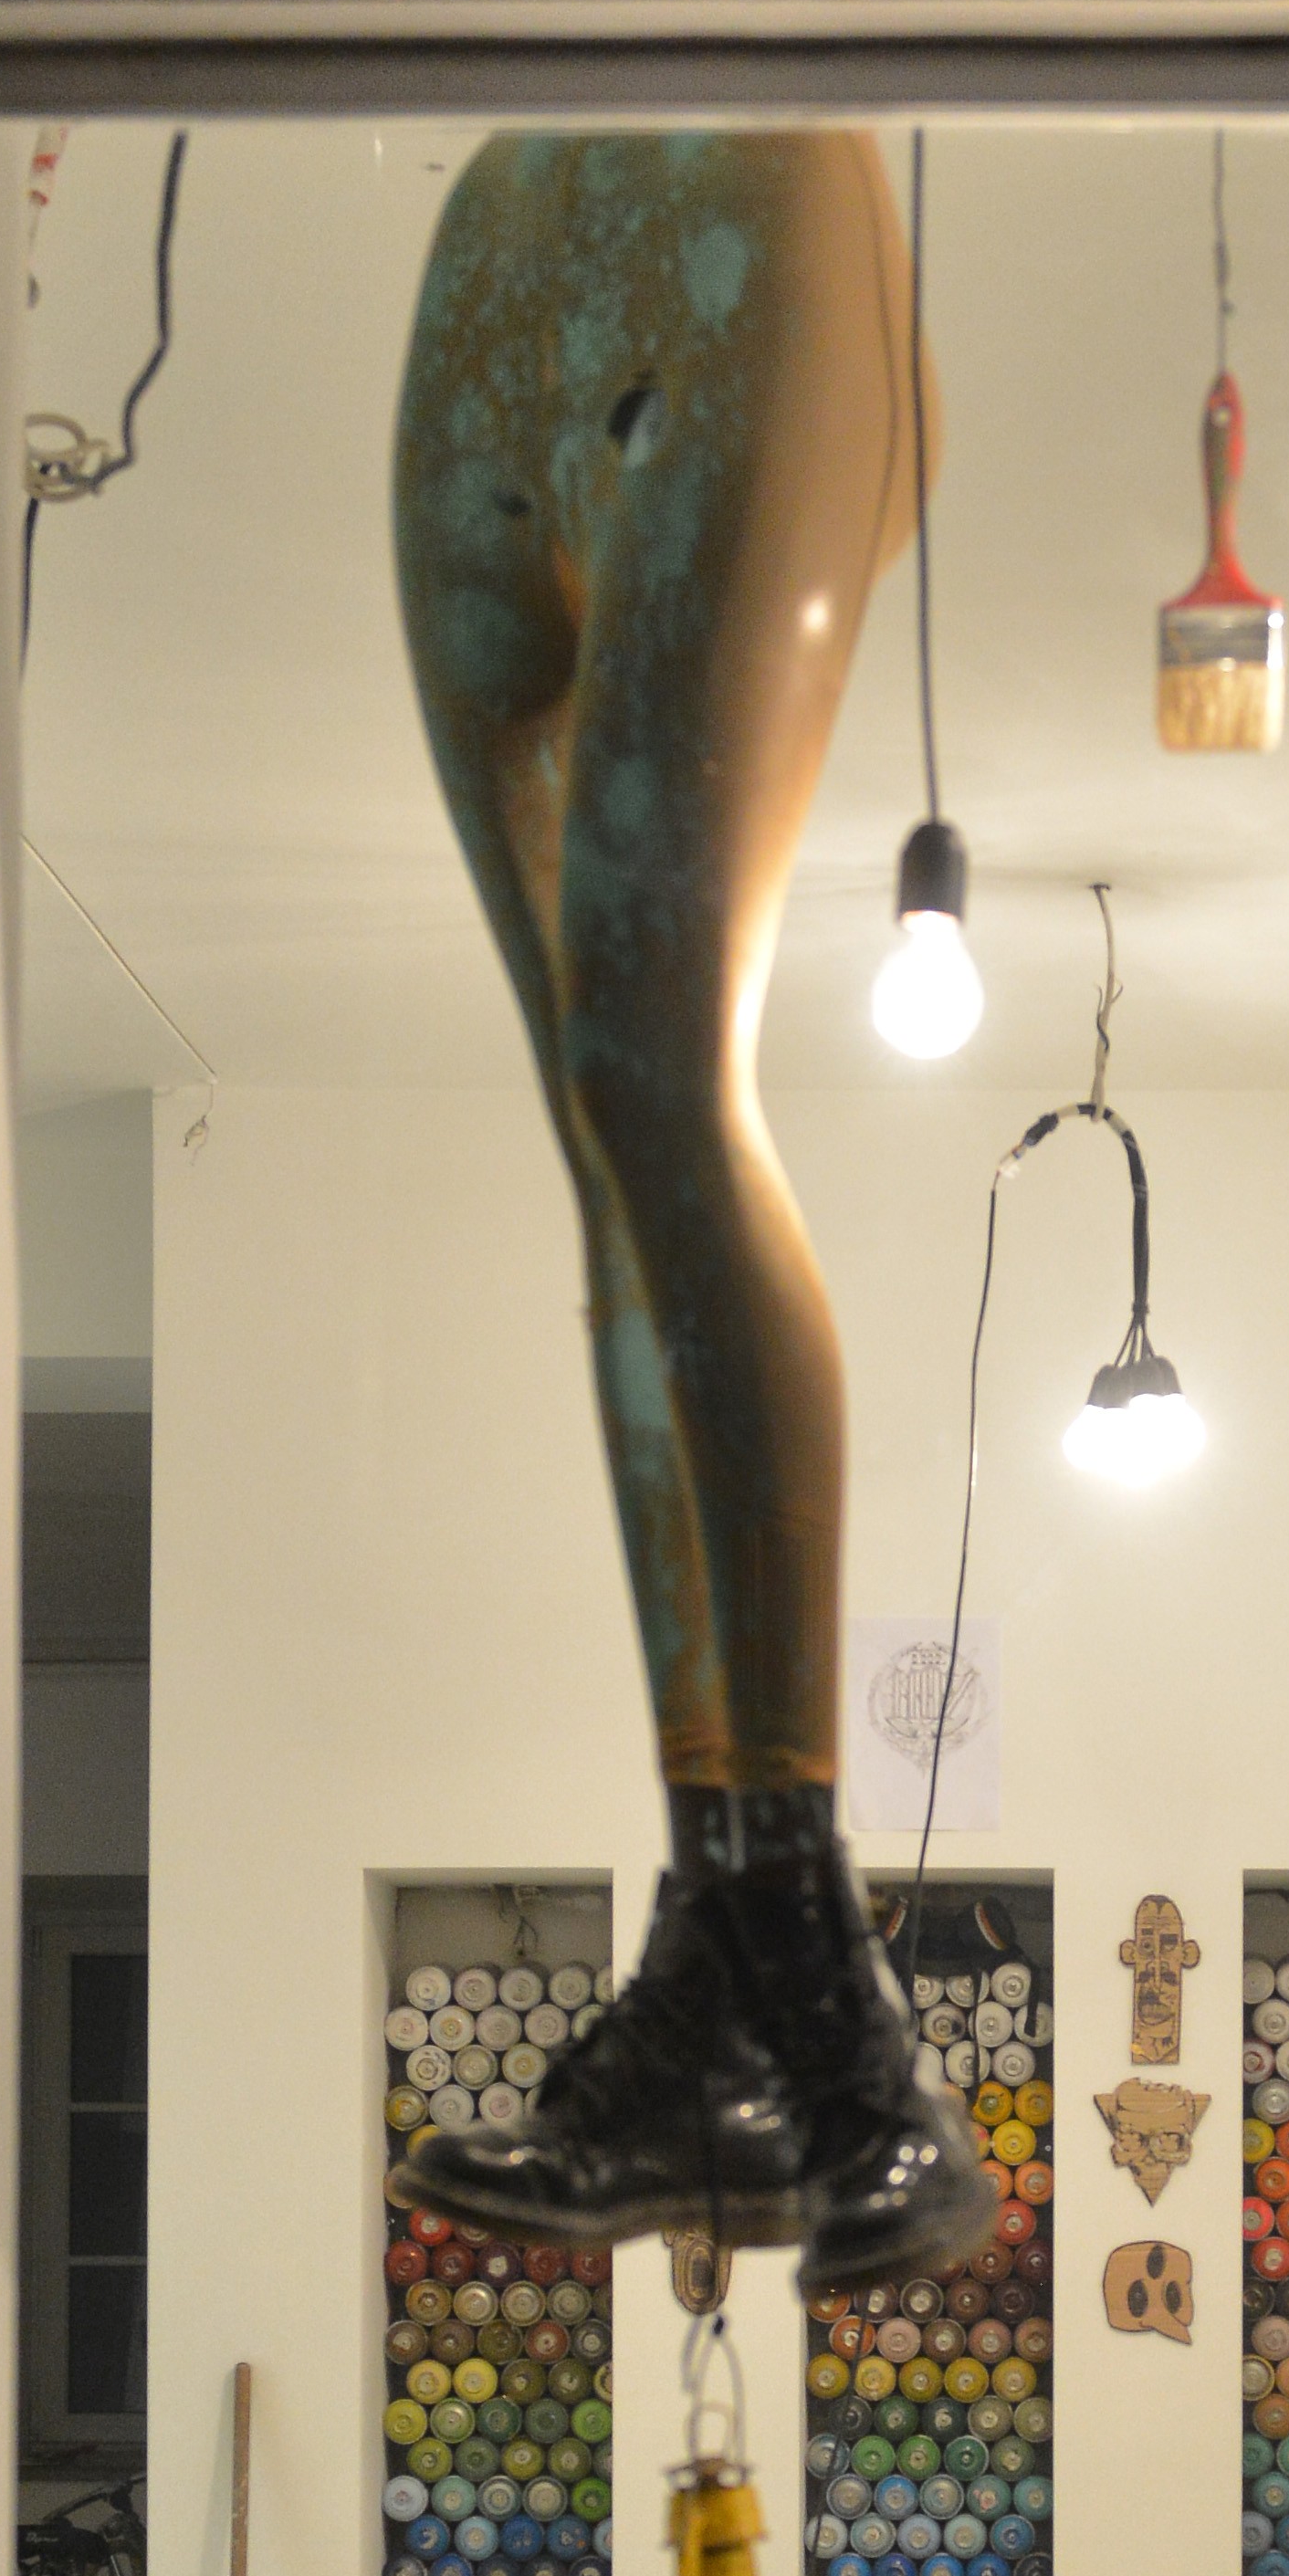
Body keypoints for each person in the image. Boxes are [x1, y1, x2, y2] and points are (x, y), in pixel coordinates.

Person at [389, 126, 990, 2283]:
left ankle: (819, 1991)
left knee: (656, 1077)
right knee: (601, 1135)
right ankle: (718, 1988)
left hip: (735, 226)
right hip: (485, 281)